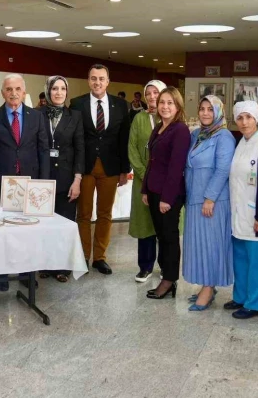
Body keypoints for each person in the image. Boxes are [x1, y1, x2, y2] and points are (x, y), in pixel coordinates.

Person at [0, 74, 49, 291]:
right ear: (3, 93)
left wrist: (43, 183)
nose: (13, 93)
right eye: (9, 89)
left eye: (18, 89)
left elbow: (43, 150)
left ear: (24, 92)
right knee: (2, 231)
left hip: (30, 184)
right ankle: (1, 275)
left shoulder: (37, 117)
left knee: (27, 232)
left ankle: (26, 273)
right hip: (2, 183)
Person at [71, 64, 131, 275]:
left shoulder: (121, 105)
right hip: (85, 167)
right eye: (93, 78)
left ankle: (100, 257)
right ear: (88, 81)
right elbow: (74, 139)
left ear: (108, 81)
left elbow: (124, 139)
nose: (97, 82)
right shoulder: (76, 104)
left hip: (111, 167)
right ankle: (83, 257)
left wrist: (125, 169)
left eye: (101, 78)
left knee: (105, 214)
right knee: (84, 214)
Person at [225, 101, 258, 319]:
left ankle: (255, 302)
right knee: (240, 258)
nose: (244, 122)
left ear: (256, 118)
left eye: (248, 117)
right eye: (240, 118)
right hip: (239, 214)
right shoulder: (241, 142)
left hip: (257, 216)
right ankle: (240, 297)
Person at [182, 96, 235, 310]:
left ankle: (208, 287)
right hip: (194, 198)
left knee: (212, 245)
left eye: (210, 110)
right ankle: (207, 285)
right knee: (199, 246)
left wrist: (210, 198)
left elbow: (223, 169)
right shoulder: (197, 134)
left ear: (218, 112)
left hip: (212, 201)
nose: (205, 113)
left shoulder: (224, 136)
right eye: (202, 109)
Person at [142, 87, 190, 299]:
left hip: (168, 194)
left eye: (170, 103)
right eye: (162, 102)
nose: (165, 106)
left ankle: (169, 280)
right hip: (153, 191)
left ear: (178, 106)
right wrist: (145, 189)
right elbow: (151, 161)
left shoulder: (180, 130)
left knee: (169, 238)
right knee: (161, 236)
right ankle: (166, 277)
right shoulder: (160, 127)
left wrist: (167, 198)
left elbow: (176, 167)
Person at [38, 75, 84, 282]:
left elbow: (80, 150)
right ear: (48, 91)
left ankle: (62, 267)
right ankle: (45, 264)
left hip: (67, 178)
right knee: (44, 225)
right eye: (54, 88)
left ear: (67, 92)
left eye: (62, 89)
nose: (58, 93)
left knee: (64, 224)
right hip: (43, 178)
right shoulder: (37, 115)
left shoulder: (75, 116)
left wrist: (77, 180)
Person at [128, 80, 166, 283]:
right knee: (145, 225)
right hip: (143, 181)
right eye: (148, 93)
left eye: (156, 92)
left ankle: (166, 267)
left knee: (164, 224)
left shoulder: (170, 119)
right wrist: (144, 174)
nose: (152, 97)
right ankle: (145, 267)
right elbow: (132, 149)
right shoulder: (138, 119)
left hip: (165, 182)